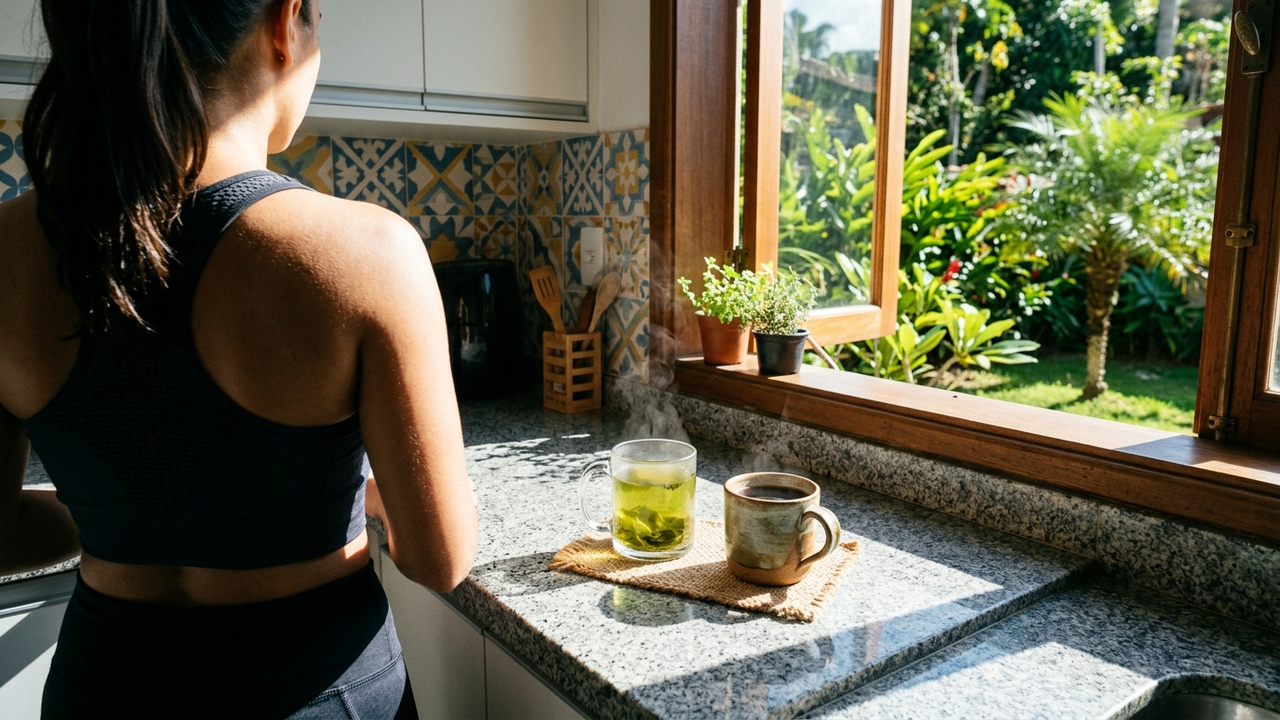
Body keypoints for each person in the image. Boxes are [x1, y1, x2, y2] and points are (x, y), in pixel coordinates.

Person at [0, 0, 478, 716]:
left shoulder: (7, 253)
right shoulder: (367, 254)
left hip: (102, 689)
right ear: (286, 23)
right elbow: (440, 558)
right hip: (315, 692)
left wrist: (123, 509)